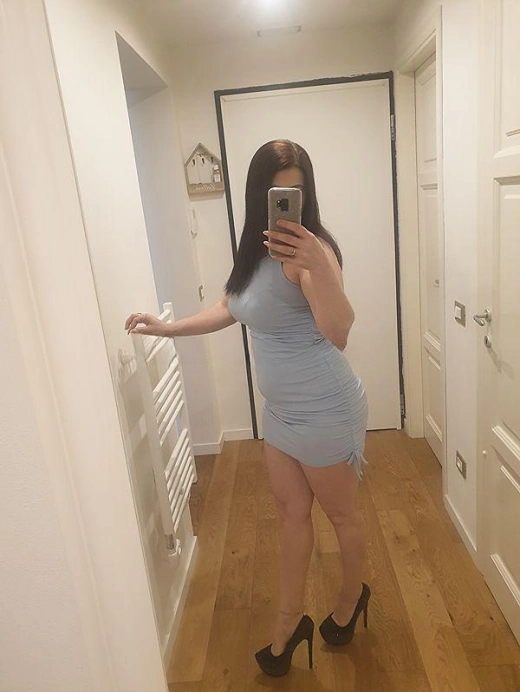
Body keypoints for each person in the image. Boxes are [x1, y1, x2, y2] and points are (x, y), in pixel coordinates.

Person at [125, 139, 371, 677]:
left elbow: (339, 332)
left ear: (307, 195)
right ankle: (288, 623)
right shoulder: (254, 252)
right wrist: (168, 329)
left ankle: (352, 598)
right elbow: (229, 306)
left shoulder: (314, 255)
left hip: (326, 410)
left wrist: (318, 265)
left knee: (341, 515)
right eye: (277, 192)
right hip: (280, 415)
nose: (287, 202)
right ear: (259, 195)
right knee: (290, 516)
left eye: (296, 192)